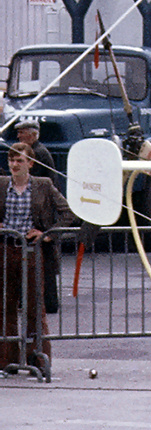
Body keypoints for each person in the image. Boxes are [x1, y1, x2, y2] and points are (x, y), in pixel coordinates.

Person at [2, 143, 73, 370]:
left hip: (32, 252)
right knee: (5, 306)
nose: (14, 164)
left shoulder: (43, 185)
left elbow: (68, 212)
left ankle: (39, 358)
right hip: (4, 250)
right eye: (11, 160)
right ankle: (6, 360)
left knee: (35, 306)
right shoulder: (1, 184)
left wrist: (47, 235)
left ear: (31, 164)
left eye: (19, 160)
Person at [13, 120, 60, 314]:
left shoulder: (38, 154)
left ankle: (47, 302)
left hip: (42, 213)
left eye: (22, 133)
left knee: (43, 262)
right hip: (43, 210)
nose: (18, 137)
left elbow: (33, 180)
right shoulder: (39, 151)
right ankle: (43, 301)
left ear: (32, 135)